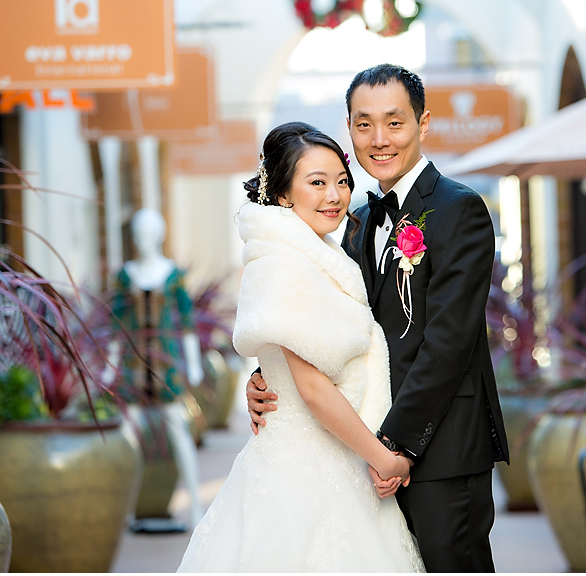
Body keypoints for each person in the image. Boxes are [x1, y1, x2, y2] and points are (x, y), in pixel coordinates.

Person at [247, 64, 509, 572]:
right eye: (364, 124)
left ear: (423, 123)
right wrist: (267, 376)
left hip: (439, 449)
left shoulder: (461, 209)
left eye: (394, 122)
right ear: (349, 128)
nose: (379, 139)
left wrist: (394, 446)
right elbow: (331, 322)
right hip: (366, 453)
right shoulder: (355, 221)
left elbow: (448, 343)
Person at [177, 122, 424, 572]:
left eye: (341, 181)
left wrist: (263, 377)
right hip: (304, 468)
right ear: (283, 195)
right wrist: (384, 459)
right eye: (317, 183)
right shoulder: (282, 262)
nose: (335, 194)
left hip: (338, 457)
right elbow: (311, 388)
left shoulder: (321, 253)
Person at [106, 207, 204, 529]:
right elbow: (116, 324)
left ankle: (195, 508)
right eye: (139, 233)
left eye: (150, 232)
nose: (144, 239)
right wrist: (109, 367)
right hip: (133, 366)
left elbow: (187, 323)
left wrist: (193, 365)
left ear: (160, 234)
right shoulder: (124, 276)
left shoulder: (174, 275)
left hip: (166, 365)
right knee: (126, 439)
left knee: (179, 434)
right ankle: (124, 511)